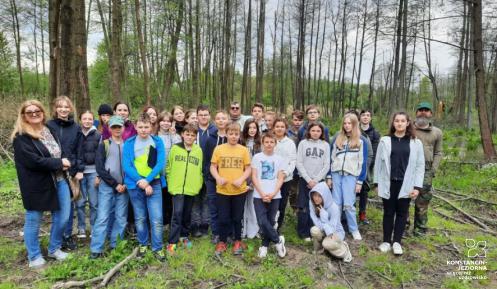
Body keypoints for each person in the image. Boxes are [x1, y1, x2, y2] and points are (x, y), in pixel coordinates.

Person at [12, 100, 72, 268]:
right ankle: (34, 255)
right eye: (29, 112)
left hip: (60, 180)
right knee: (33, 219)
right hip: (36, 185)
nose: (34, 113)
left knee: (63, 217)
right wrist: (59, 163)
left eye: (37, 110)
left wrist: (65, 161)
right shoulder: (21, 138)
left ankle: (54, 248)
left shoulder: (49, 130)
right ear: (23, 116)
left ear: (43, 112)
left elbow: (60, 149)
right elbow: (34, 161)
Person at [374, 112, 424, 255]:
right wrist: (377, 183)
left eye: (403, 121)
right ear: (393, 123)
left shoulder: (415, 142)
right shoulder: (385, 141)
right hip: (388, 183)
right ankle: (386, 241)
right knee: (388, 213)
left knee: (402, 213)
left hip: (406, 184)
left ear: (408, 123)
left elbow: (420, 166)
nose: (400, 123)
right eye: (397, 120)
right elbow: (378, 164)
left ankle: (397, 242)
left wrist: (417, 187)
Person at [122, 113, 167, 262]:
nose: (143, 130)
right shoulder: (129, 143)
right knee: (140, 217)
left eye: (146, 127)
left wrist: (147, 181)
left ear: (151, 126)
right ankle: (143, 244)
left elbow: (160, 163)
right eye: (140, 127)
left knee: (156, 218)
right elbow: (126, 165)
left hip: (153, 183)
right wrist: (140, 181)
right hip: (135, 185)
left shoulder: (157, 141)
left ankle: (158, 247)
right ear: (135, 127)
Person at [90, 116, 129, 259]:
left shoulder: (128, 145)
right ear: (109, 128)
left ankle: (115, 245)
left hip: (124, 187)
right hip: (107, 186)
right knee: (103, 217)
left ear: (123, 127)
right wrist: (115, 184)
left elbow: (131, 166)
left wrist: (125, 184)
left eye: (119, 126)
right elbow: (100, 168)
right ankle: (96, 249)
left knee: (121, 217)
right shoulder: (104, 144)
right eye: (114, 127)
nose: (117, 129)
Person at [210, 122, 252, 255]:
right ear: (226, 134)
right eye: (231, 134)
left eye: (236, 134)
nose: (234, 136)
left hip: (239, 190)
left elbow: (248, 168)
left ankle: (238, 241)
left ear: (239, 135)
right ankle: (222, 242)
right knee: (223, 218)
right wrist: (217, 177)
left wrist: (241, 179)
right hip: (223, 190)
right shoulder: (219, 149)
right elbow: (212, 166)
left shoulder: (243, 150)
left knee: (237, 217)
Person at [46, 95, 81, 251]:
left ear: (70, 108)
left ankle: (66, 236)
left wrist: (75, 169)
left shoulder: (75, 127)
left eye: (66, 107)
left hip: (69, 172)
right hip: (51, 171)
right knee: (56, 207)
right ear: (55, 109)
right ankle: (56, 239)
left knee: (69, 206)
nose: (63, 109)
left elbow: (78, 150)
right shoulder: (48, 125)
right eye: (60, 106)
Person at [166, 124, 203, 253]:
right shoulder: (175, 148)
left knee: (187, 214)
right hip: (176, 188)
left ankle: (184, 236)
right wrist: (170, 183)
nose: (189, 137)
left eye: (192, 135)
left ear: (195, 137)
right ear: (182, 134)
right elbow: (168, 166)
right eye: (187, 134)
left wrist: (198, 184)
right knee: (177, 214)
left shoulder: (198, 150)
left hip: (191, 188)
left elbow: (199, 170)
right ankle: (172, 241)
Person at [330, 113, 367, 241]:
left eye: (349, 123)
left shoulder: (361, 141)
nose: (346, 126)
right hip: (336, 174)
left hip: (351, 176)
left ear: (355, 124)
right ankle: (335, 227)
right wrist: (329, 176)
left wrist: (360, 181)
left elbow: (363, 162)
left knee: (349, 204)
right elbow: (332, 158)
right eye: (345, 123)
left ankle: (353, 229)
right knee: (336, 203)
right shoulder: (338, 139)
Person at [251, 132, 287, 258]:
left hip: (275, 195)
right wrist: (261, 193)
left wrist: (272, 194)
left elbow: (280, 178)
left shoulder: (279, 159)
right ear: (262, 143)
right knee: (262, 220)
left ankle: (264, 245)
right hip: (259, 194)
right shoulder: (256, 157)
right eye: (266, 142)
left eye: (272, 142)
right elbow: (254, 177)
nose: (269, 144)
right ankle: (278, 241)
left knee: (271, 221)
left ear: (275, 144)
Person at [412, 102, 443, 237]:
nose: (423, 112)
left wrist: (433, 170)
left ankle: (420, 229)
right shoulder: (408, 128)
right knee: (404, 198)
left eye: (426, 110)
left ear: (431, 114)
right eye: (420, 110)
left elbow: (438, 152)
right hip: (408, 167)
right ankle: (403, 226)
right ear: (416, 112)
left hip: (426, 169)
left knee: (423, 200)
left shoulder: (437, 132)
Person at [296, 123, 330, 241]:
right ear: (309, 131)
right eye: (313, 130)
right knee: (303, 205)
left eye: (318, 131)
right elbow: (299, 162)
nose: (316, 133)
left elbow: (326, 165)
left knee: (316, 205)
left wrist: (315, 180)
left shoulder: (325, 145)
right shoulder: (303, 143)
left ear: (322, 133)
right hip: (304, 180)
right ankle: (303, 232)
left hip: (318, 181)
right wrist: (308, 179)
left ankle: (313, 230)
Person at [309, 182, 352, 262]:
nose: (316, 198)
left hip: (335, 233)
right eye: (314, 195)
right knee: (314, 230)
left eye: (319, 196)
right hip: (324, 230)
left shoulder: (334, 208)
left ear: (325, 196)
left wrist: (324, 217)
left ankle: (344, 251)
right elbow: (317, 223)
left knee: (326, 244)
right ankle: (319, 250)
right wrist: (323, 223)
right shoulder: (312, 204)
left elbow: (331, 231)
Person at [74, 111, 101, 239]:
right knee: (80, 202)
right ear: (80, 120)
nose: (87, 121)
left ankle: (94, 227)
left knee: (94, 203)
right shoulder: (76, 134)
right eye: (84, 118)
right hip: (79, 174)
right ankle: (81, 228)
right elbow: (74, 153)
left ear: (93, 120)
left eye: (90, 119)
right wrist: (77, 170)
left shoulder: (97, 135)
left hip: (93, 172)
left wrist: (99, 175)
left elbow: (101, 156)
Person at [191, 105, 216, 237]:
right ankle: (195, 226)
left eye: (206, 114)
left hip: (209, 171)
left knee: (207, 199)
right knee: (195, 199)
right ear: (197, 116)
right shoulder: (193, 131)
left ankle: (205, 225)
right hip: (194, 171)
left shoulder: (214, 131)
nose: (203, 117)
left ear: (209, 115)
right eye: (201, 115)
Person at [204, 110, 229, 244]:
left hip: (229, 179)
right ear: (215, 121)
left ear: (228, 120)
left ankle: (228, 232)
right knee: (213, 207)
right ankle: (216, 233)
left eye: (223, 118)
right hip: (212, 180)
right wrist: (210, 176)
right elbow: (207, 161)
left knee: (227, 207)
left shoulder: (233, 137)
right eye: (218, 118)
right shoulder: (210, 139)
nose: (220, 121)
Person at [157, 111, 182, 230]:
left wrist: (173, 135)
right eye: (163, 121)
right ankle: (162, 223)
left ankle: (172, 223)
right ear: (159, 122)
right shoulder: (155, 136)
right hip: (159, 174)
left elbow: (178, 150)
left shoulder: (176, 136)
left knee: (170, 200)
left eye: (168, 121)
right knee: (161, 199)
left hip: (172, 174)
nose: (166, 123)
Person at [273, 118, 297, 233]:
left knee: (282, 204)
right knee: (271, 203)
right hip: (271, 179)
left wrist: (286, 173)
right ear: (273, 128)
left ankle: (278, 227)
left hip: (286, 179)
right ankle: (268, 226)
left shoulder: (290, 143)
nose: (279, 129)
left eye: (282, 127)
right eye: (277, 126)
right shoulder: (269, 140)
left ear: (286, 129)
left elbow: (293, 160)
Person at [240, 119, 262, 239]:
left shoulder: (260, 143)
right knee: (242, 205)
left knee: (253, 205)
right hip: (242, 176)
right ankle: (242, 230)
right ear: (246, 129)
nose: (252, 130)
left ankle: (254, 230)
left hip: (255, 176)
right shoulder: (241, 142)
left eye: (254, 128)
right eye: (250, 128)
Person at [358, 109, 380, 224]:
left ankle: (362, 214)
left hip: (368, 164)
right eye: (363, 115)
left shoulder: (375, 133)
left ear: (370, 118)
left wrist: (367, 167)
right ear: (359, 117)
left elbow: (374, 152)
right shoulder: (355, 129)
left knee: (364, 191)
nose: (365, 117)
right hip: (354, 164)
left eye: (368, 115)